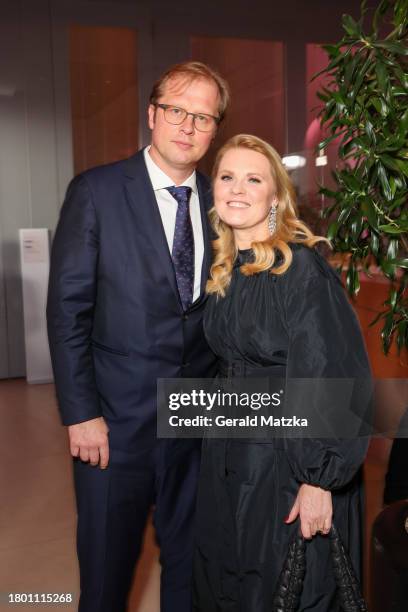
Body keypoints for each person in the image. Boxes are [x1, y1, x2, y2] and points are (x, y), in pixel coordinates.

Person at [46, 61, 230, 612]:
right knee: (105, 575)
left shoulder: (225, 203)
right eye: (177, 110)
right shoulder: (97, 191)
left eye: (203, 116)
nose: (188, 126)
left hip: (197, 425)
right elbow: (68, 309)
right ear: (152, 114)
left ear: (215, 128)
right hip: (113, 426)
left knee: (192, 569)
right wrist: (80, 413)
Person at [193, 134, 371, 612]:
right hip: (231, 451)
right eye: (227, 177)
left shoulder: (301, 268)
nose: (236, 188)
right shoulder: (225, 270)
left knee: (285, 585)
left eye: (253, 179)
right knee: (233, 578)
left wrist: (319, 480)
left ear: (275, 198)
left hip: (288, 463)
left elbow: (331, 375)